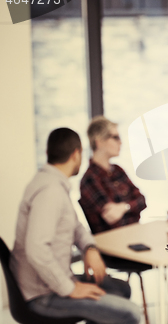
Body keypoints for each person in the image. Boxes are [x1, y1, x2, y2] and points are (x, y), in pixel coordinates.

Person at [10, 128, 141, 324]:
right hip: (42, 295)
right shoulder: (50, 191)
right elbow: (36, 248)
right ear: (76, 154)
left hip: (49, 283)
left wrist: (89, 248)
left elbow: (76, 226)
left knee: (121, 288)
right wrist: (70, 289)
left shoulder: (52, 183)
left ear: (48, 154)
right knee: (130, 313)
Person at [79, 116, 147, 234]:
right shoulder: (90, 179)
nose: (120, 142)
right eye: (115, 137)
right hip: (112, 246)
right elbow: (113, 220)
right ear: (99, 142)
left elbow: (142, 200)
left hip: (134, 238)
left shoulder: (118, 170)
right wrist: (131, 208)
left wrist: (123, 207)